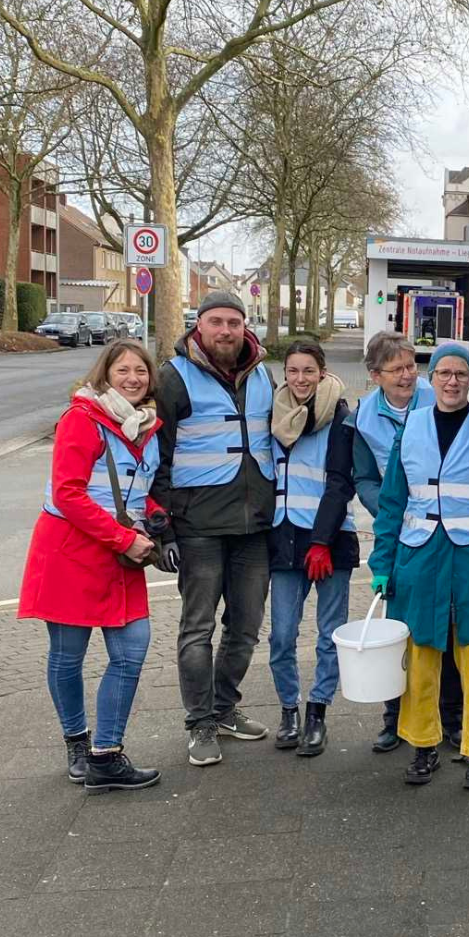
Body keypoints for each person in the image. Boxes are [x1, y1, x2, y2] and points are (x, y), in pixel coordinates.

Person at [369, 342, 469, 789]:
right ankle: (422, 747)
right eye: (443, 372)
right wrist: (382, 563)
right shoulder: (412, 428)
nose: (452, 380)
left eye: (460, 373)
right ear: (432, 378)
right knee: (419, 656)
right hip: (419, 557)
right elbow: (391, 502)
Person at [19, 340, 163, 793]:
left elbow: (137, 488)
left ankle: (105, 754)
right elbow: (68, 493)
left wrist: (156, 515)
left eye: (140, 371)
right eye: (123, 370)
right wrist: (125, 538)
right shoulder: (82, 420)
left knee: (132, 649)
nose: (133, 378)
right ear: (105, 374)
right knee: (68, 655)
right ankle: (77, 742)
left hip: (122, 555)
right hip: (72, 552)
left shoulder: (145, 425)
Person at [150, 290, 276, 767]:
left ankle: (224, 709)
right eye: (216, 322)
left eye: (234, 322)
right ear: (197, 326)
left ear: (245, 327)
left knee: (245, 629)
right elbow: (156, 457)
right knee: (197, 629)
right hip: (197, 525)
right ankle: (199, 721)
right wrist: (162, 529)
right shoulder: (173, 377)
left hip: (254, 527)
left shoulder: (263, 373)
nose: (226, 330)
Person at [346, 330, 464, 755]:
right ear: (376, 375)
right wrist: (392, 508)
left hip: (445, 533)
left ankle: (451, 719)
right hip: (400, 532)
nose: (408, 376)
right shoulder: (362, 418)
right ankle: (394, 719)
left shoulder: (438, 398)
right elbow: (364, 478)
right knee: (401, 630)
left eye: (411, 366)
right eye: (397, 369)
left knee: (446, 627)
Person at [268, 339, 357, 757]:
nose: (300, 378)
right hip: (284, 539)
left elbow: (340, 483)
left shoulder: (339, 417)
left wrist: (322, 541)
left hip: (329, 540)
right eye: (293, 371)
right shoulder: (274, 414)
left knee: (329, 635)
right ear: (284, 374)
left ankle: (317, 711)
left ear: (322, 372)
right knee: (282, 636)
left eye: (308, 370)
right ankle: (289, 710)